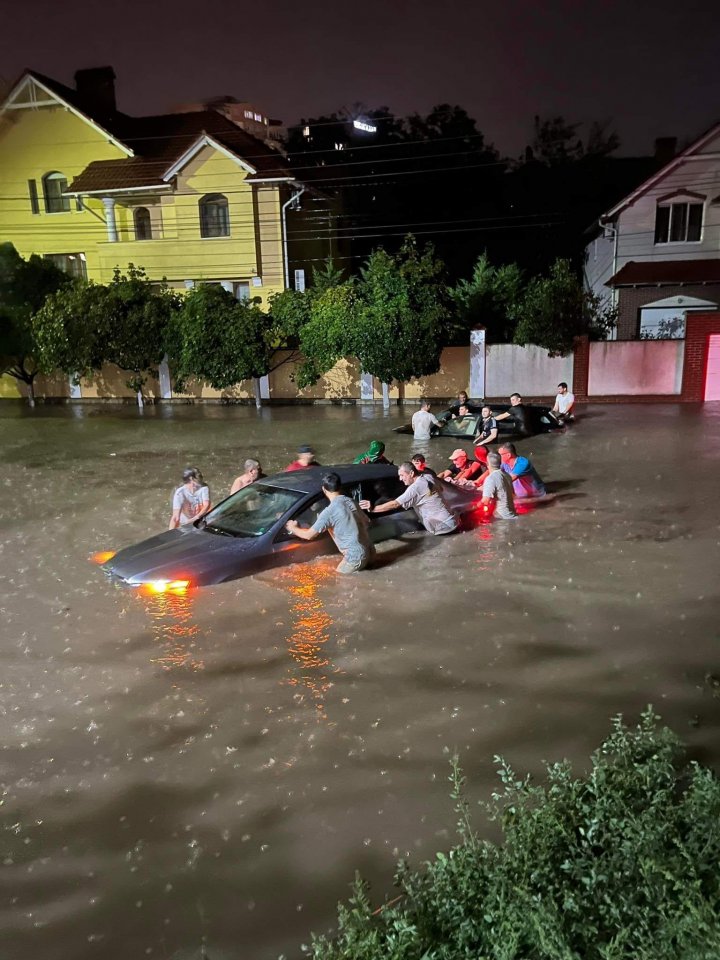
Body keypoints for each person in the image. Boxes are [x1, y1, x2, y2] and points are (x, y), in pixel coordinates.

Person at [285, 472, 375, 574]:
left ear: (324, 489)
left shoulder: (329, 512)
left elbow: (309, 535)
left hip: (355, 557)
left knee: (339, 579)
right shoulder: (351, 501)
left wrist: (293, 528)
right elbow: (367, 521)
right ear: (340, 487)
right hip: (370, 550)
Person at [361, 462, 458, 535]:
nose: (400, 479)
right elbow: (440, 489)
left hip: (442, 527)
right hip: (453, 521)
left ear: (411, 473)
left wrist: (373, 509)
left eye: (402, 475)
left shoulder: (414, 489)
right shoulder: (428, 476)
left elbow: (395, 504)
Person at [481, 452, 517, 520]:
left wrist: (474, 505)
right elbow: (513, 495)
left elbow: (485, 501)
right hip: (512, 515)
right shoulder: (507, 475)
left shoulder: (490, 479)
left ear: (487, 464)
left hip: (501, 518)